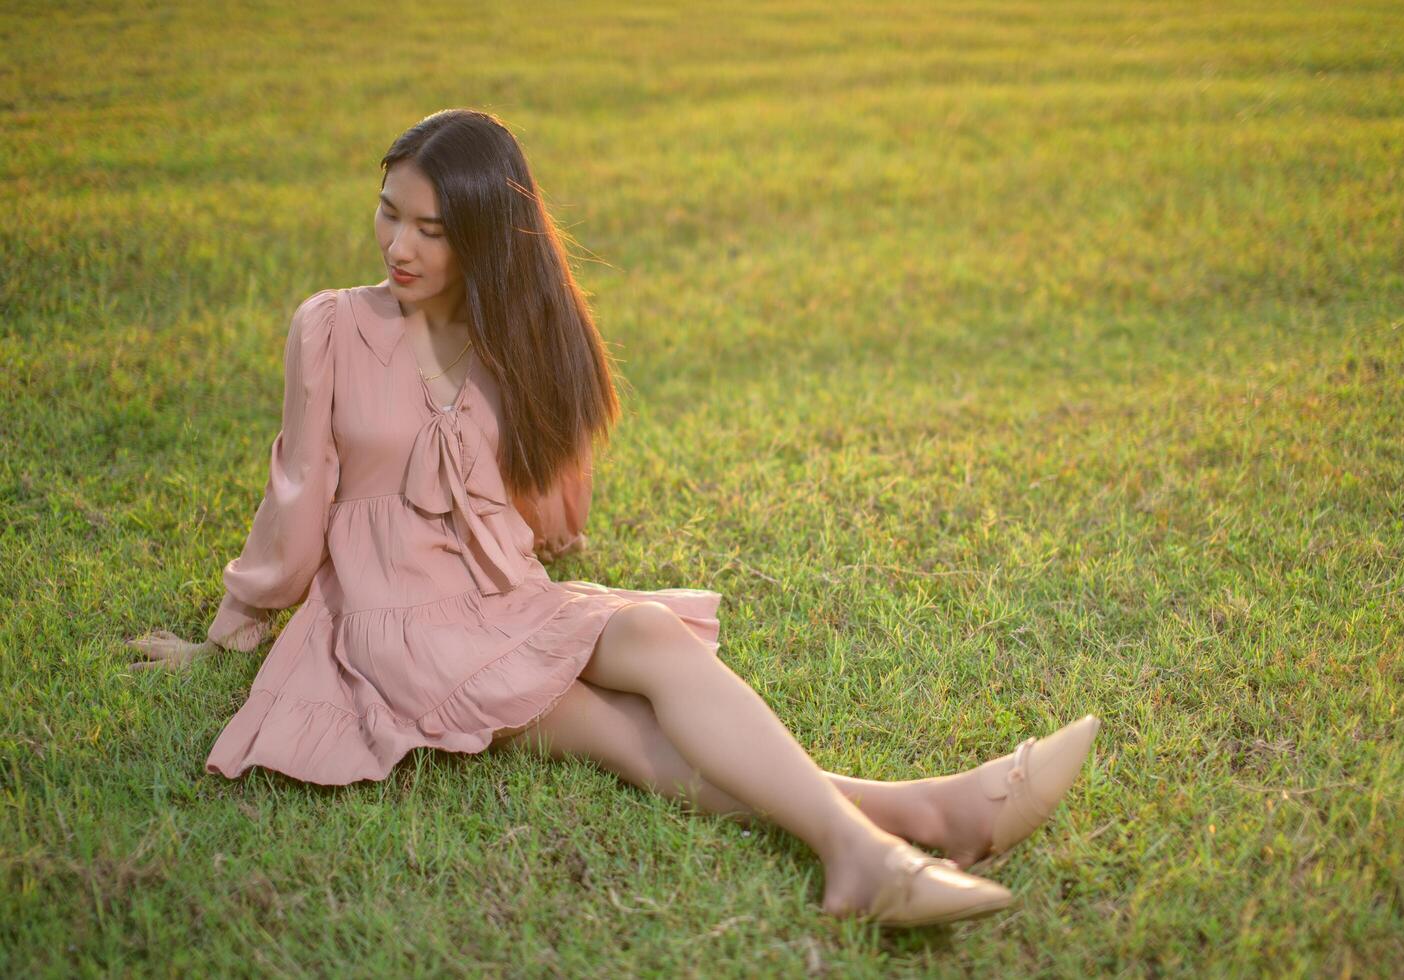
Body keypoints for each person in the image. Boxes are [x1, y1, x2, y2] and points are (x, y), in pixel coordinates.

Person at [127, 108, 1101, 928]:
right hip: (395, 623)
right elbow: (297, 496)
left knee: (640, 627)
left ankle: (907, 828)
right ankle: (910, 827)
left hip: (500, 594)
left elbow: (541, 498)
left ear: (482, 235)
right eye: (390, 215)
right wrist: (234, 630)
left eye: (431, 228)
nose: (399, 245)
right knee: (609, 730)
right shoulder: (332, 325)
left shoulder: (515, 337)